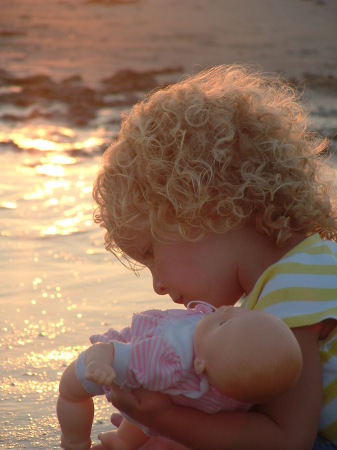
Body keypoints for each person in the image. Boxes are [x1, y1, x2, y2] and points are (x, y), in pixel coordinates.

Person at [78, 63, 336, 449]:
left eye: (151, 252)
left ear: (206, 206)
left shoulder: (288, 293)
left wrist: (163, 419)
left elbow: (286, 439)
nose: (158, 285)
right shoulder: (309, 264)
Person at [57, 302, 303, 450]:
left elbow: (114, 352)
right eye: (241, 314)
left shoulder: (171, 355)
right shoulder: (235, 385)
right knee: (156, 396)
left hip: (124, 367)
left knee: (70, 391)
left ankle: (74, 441)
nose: (227, 310)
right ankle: (123, 442)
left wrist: (99, 359)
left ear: (199, 363)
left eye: (223, 324)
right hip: (168, 399)